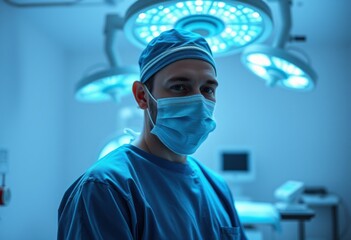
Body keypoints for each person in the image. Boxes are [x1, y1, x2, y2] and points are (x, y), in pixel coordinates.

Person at [58, 29, 247, 240]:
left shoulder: (218, 188)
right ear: (142, 96)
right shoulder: (107, 188)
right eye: (179, 87)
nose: (198, 101)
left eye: (207, 89)